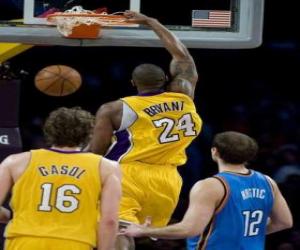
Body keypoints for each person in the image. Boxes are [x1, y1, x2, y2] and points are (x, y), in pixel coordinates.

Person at [90, 11, 202, 249]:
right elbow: (183, 56)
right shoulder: (184, 94)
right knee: (144, 236)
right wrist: (153, 21)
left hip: (127, 174)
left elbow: (95, 152)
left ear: (133, 84)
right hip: (168, 179)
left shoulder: (115, 109)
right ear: (165, 78)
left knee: (117, 231)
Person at [121, 131, 293, 249]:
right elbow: (284, 222)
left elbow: (189, 229)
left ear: (214, 152)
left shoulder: (211, 186)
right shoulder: (268, 182)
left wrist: (143, 230)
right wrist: (240, 233)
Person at [0, 107, 121, 250]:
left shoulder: (16, 161)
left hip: (24, 241)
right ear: (89, 135)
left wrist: (9, 215)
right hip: (74, 242)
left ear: (49, 130)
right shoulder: (106, 167)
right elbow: (109, 221)